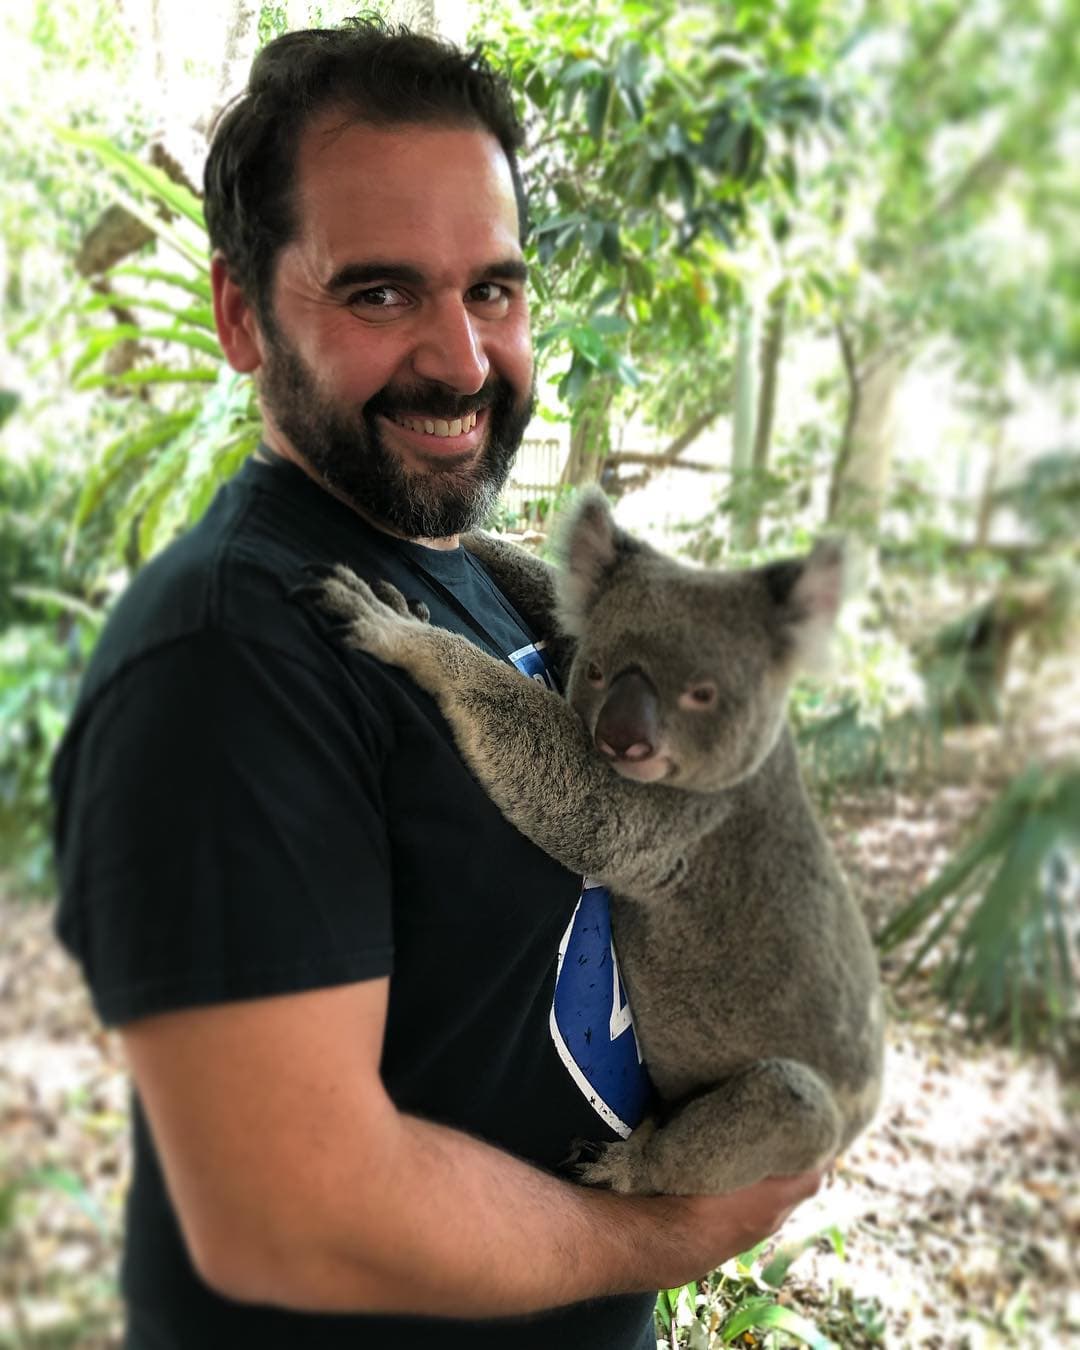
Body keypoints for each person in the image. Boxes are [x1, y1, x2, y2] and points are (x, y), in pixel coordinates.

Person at [51, 19, 821, 1350]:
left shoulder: (456, 568)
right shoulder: (231, 657)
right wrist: (672, 1230)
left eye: (494, 291)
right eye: (381, 293)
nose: (464, 363)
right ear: (243, 314)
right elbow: (292, 1211)